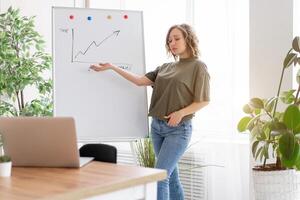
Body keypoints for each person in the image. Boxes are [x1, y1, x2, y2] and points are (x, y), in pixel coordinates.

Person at [90, 23, 210, 200]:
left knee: (159, 177)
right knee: (172, 178)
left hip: (178, 129)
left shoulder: (198, 66)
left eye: (177, 38)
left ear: (188, 39)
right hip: (157, 127)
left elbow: (203, 100)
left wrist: (181, 113)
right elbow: (139, 81)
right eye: (169, 41)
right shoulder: (165, 67)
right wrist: (112, 67)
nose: (173, 43)